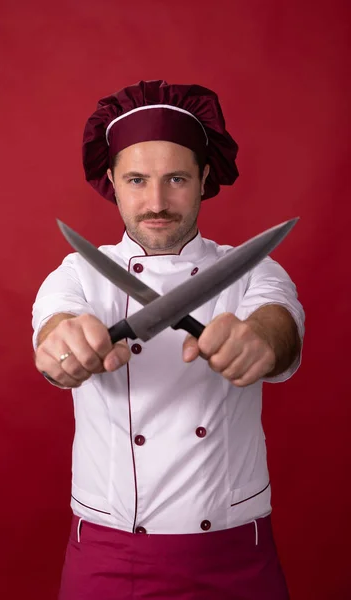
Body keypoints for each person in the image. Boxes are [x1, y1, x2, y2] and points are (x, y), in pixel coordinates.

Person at [32, 80, 305, 600]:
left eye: (176, 178)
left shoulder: (253, 270)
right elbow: (55, 328)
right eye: (137, 179)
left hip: (234, 554)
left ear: (204, 178)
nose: (156, 202)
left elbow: (280, 325)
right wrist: (65, 350)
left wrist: (257, 342)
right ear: (111, 180)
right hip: (109, 555)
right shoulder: (76, 275)